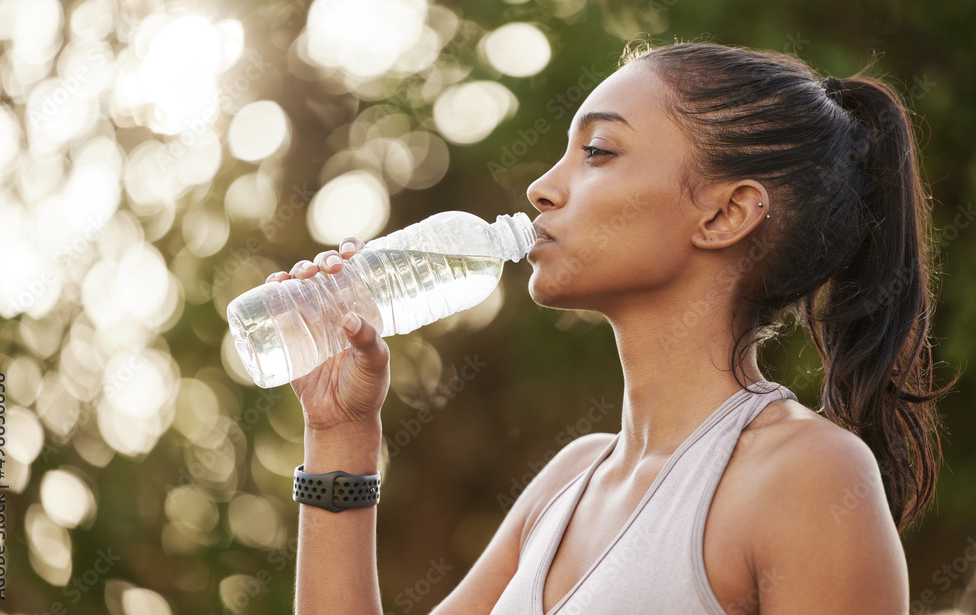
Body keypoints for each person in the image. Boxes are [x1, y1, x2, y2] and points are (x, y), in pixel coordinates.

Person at [265, 41, 949, 613]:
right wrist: (339, 432)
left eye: (597, 151)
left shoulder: (807, 477)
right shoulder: (570, 480)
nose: (542, 188)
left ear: (724, 214)